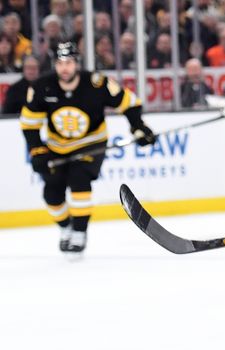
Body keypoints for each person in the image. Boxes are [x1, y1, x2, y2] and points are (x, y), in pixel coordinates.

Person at [20, 42, 157, 257]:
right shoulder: (42, 86)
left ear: (76, 63)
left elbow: (128, 102)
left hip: (90, 144)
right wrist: (37, 150)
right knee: (52, 193)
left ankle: (80, 233)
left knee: (79, 180)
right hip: (57, 147)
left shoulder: (96, 83)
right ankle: (66, 227)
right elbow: (29, 123)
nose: (64, 68)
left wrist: (139, 127)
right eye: (60, 63)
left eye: (69, 62)